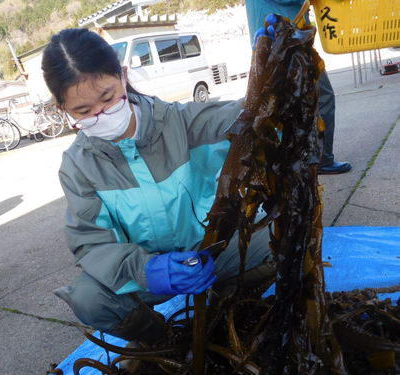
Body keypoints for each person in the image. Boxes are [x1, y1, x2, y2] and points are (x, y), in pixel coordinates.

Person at [42, 28, 275, 346]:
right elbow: (91, 244)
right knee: (90, 299)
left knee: (285, 237)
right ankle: (162, 340)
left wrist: (272, 63)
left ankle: (228, 294)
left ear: (123, 76)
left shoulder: (183, 123)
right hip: (147, 273)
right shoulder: (77, 167)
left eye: (108, 98)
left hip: (213, 252)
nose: (101, 115)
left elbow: (250, 115)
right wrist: (147, 270)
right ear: (62, 109)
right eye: (83, 112)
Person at [245, 0, 352, 175]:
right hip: (286, 43)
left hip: (272, 42)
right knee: (322, 97)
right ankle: (320, 159)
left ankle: (288, 163)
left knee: (280, 106)